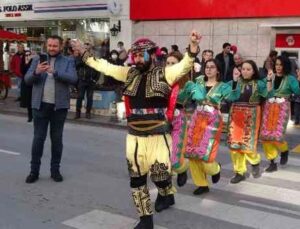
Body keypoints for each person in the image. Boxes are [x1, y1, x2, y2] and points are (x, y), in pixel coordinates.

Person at [72, 31, 201, 229]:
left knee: (160, 175)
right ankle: (145, 219)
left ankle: (167, 194)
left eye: (142, 55)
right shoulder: (128, 73)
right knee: (137, 179)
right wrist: (84, 54)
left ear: (152, 54)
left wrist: (192, 47)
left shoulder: (164, 73)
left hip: (159, 136)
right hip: (134, 137)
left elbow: (185, 65)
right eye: (136, 55)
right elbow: (104, 66)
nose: (138, 59)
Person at [24, 35, 78, 183]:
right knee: (38, 139)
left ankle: (55, 171)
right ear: (46, 46)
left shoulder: (68, 61)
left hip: (59, 107)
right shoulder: (37, 60)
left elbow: (73, 79)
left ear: (60, 47)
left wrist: (55, 72)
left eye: (55, 46)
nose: (52, 48)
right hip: (40, 106)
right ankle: (34, 171)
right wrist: (37, 72)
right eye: (50, 45)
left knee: (57, 140)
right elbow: (27, 80)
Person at [181, 59, 235, 195]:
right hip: (197, 118)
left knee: (206, 156)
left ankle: (216, 169)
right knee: (192, 154)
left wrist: (235, 82)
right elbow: (186, 95)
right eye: (207, 67)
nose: (209, 69)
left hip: (213, 120)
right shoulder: (198, 81)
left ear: (218, 70)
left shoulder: (223, 86)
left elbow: (232, 97)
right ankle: (202, 184)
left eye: (212, 67)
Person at [227, 61, 268, 183]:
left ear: (254, 71)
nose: (245, 71)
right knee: (235, 145)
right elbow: (228, 97)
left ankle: (255, 161)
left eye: (248, 69)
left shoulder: (259, 84)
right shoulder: (233, 82)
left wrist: (270, 81)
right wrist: (234, 81)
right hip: (235, 115)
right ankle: (239, 172)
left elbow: (268, 94)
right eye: (243, 69)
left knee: (247, 144)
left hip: (252, 116)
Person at [260, 56, 300, 172]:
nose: (278, 67)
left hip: (282, 108)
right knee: (266, 136)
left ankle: (284, 150)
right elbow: (262, 91)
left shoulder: (290, 79)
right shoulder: (269, 77)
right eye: (276, 64)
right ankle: (272, 162)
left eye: (281, 65)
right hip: (268, 107)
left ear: (285, 66)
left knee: (277, 135)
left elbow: (297, 91)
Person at [74, 44, 100, 119]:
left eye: (88, 49)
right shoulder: (80, 57)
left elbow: (98, 69)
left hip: (91, 81)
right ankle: (77, 112)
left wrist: (95, 80)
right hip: (82, 80)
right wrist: (84, 59)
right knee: (80, 97)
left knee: (89, 97)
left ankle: (88, 113)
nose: (87, 50)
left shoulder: (94, 58)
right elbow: (77, 65)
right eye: (86, 49)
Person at [20, 49, 33, 122]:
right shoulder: (23, 61)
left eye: (29, 55)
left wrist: (29, 62)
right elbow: (22, 71)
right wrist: (26, 63)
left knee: (32, 100)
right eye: (26, 55)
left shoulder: (33, 62)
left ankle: (33, 115)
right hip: (25, 83)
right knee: (28, 101)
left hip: (32, 83)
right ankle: (30, 116)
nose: (27, 56)